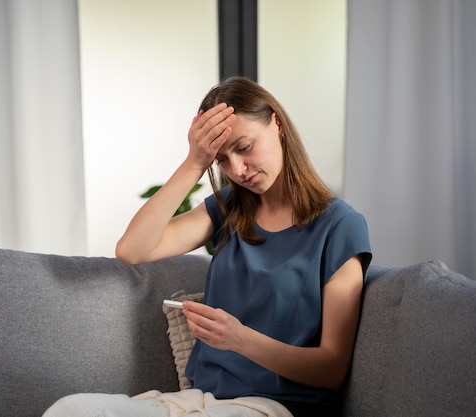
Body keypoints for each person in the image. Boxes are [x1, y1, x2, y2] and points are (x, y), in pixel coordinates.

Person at [42, 76, 372, 417]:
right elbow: (132, 250)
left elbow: (332, 369)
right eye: (222, 161)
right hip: (201, 401)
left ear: (277, 124)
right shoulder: (229, 208)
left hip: (274, 407)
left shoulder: (339, 225)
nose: (237, 170)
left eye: (244, 147)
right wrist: (195, 163)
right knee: (71, 410)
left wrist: (241, 339)